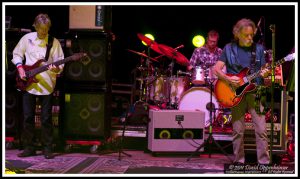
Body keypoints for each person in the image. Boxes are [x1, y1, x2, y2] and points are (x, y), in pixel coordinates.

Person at [213, 18, 270, 165]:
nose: (250, 38)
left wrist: (266, 74)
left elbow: (264, 70)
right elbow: (216, 69)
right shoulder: (228, 48)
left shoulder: (258, 49)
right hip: (235, 94)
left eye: (252, 35)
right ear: (237, 34)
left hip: (255, 92)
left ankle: (264, 162)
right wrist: (228, 79)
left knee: (262, 130)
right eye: (246, 35)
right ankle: (239, 161)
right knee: (238, 131)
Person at [11, 13, 64, 159]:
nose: (44, 32)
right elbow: (16, 54)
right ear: (35, 26)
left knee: (46, 118)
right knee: (28, 117)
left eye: (46, 29)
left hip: (47, 85)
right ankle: (29, 147)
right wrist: (20, 68)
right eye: (41, 29)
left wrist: (56, 68)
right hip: (28, 84)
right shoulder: (26, 39)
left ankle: (47, 148)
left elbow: (61, 62)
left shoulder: (54, 42)